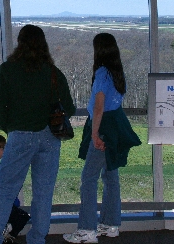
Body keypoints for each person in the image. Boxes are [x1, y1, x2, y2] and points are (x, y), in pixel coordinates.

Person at [0, 24, 76, 244]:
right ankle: (37, 239)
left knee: (5, 190)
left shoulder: (7, 70)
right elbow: (69, 108)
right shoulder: (53, 72)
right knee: (43, 194)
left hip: (20, 136)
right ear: (43, 43)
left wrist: (12, 127)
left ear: (20, 43)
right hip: (49, 138)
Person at [63, 33, 141, 244]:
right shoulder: (117, 73)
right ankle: (110, 223)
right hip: (115, 127)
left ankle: (87, 230)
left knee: (88, 178)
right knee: (110, 176)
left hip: (103, 128)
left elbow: (99, 107)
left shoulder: (101, 73)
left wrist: (95, 134)